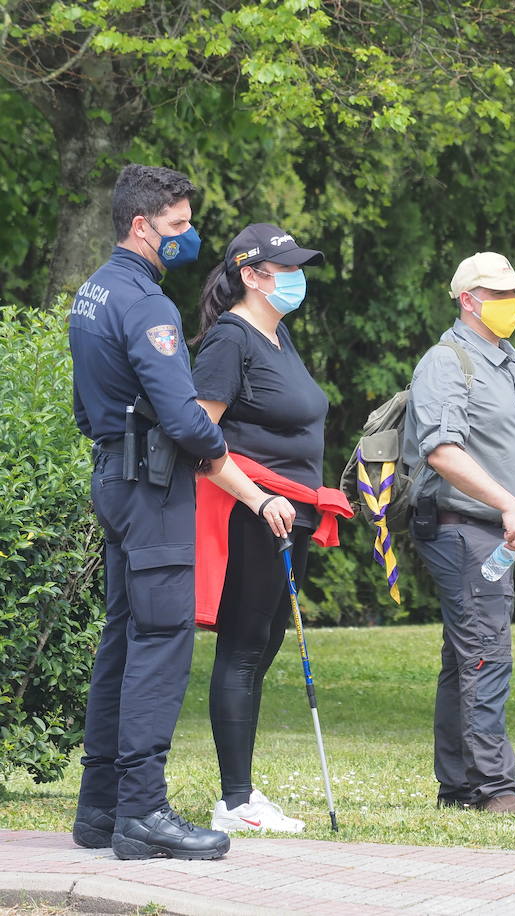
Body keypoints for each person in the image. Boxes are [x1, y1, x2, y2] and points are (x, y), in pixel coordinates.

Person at [66, 164, 235, 860]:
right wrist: (220, 446)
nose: (189, 237)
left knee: (122, 637)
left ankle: (99, 808)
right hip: (154, 484)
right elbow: (184, 418)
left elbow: (85, 407)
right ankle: (142, 813)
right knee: (161, 641)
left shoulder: (91, 293)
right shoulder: (147, 304)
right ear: (142, 226)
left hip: (114, 472)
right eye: (177, 227)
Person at [190, 223, 350, 833]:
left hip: (292, 509)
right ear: (252, 275)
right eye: (286, 268)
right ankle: (234, 802)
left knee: (262, 649)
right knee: (243, 647)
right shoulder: (230, 341)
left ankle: (242, 796)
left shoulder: (277, 333)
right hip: (253, 513)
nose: (297, 277)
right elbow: (200, 439)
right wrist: (258, 499)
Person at [402, 251, 515, 815]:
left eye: (514, 295)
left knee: (466, 655)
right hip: (464, 529)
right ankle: (493, 787)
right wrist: (509, 503)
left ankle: (460, 784)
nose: (511, 305)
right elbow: (441, 450)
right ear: (468, 299)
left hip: (491, 533)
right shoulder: (446, 361)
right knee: (486, 650)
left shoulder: (507, 362)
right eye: (499, 294)